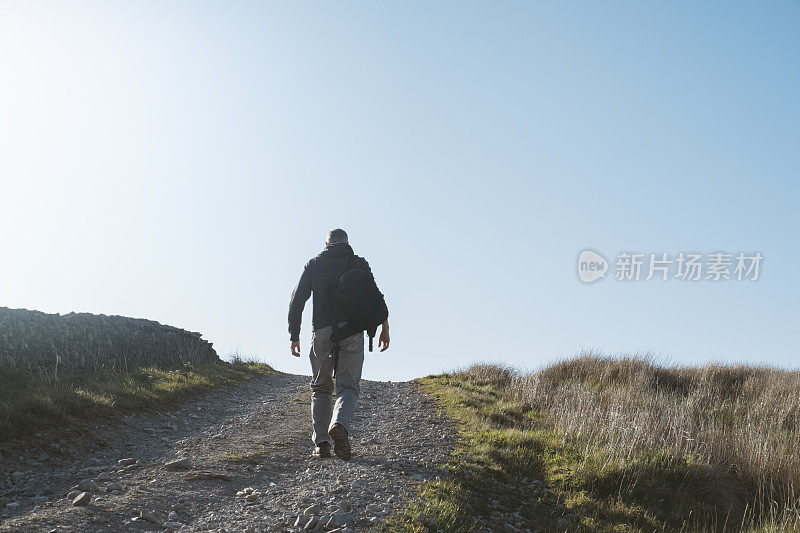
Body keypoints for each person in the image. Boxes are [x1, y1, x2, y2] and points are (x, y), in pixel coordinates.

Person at [288, 228, 389, 460]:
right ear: (347, 243)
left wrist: (294, 335)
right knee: (349, 386)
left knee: (321, 388)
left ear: (326, 243)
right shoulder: (358, 263)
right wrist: (385, 328)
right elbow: (377, 298)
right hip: (352, 333)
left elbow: (297, 300)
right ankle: (340, 425)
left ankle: (322, 444)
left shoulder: (313, 264)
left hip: (322, 333)